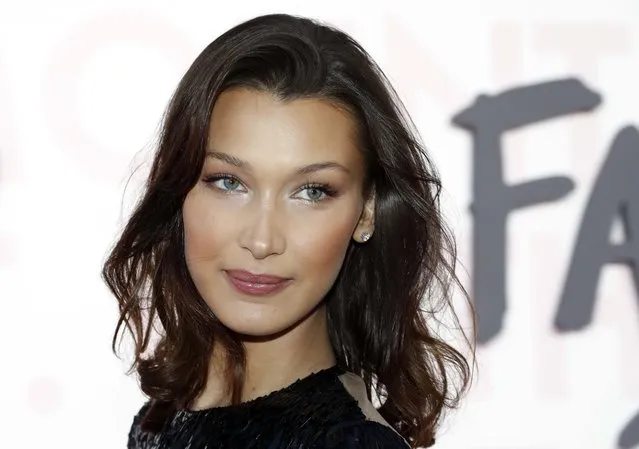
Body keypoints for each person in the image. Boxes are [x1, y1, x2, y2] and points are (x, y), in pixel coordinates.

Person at [102, 13, 474, 449]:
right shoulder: (164, 418)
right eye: (229, 182)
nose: (262, 241)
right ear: (178, 187)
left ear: (367, 210)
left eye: (312, 192)